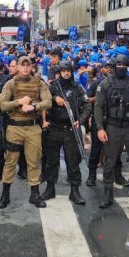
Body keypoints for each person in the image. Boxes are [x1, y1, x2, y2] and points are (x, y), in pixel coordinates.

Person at [94, 54, 129, 209]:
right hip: (112, 127)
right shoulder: (105, 84)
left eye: (123, 64)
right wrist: (100, 128)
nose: (121, 67)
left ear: (127, 65)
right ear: (114, 66)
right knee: (109, 162)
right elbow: (98, 107)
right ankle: (107, 194)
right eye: (118, 64)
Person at [0, 55, 52, 209]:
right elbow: (2, 105)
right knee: (10, 161)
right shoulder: (10, 83)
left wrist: (34, 107)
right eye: (23, 65)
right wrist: (19, 102)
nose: (26, 68)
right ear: (18, 66)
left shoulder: (39, 83)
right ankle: (5, 194)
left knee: (33, 161)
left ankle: (34, 195)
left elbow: (48, 101)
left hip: (33, 128)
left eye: (28, 65)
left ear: (32, 67)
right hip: (14, 127)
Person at [42, 60, 92, 205]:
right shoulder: (52, 86)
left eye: (68, 70)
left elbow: (87, 105)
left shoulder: (77, 87)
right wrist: (53, 98)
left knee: (73, 161)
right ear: (59, 72)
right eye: (63, 70)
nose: (66, 73)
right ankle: (50, 188)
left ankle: (74, 191)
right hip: (54, 129)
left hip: (71, 130)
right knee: (51, 161)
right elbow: (43, 102)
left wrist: (81, 121)